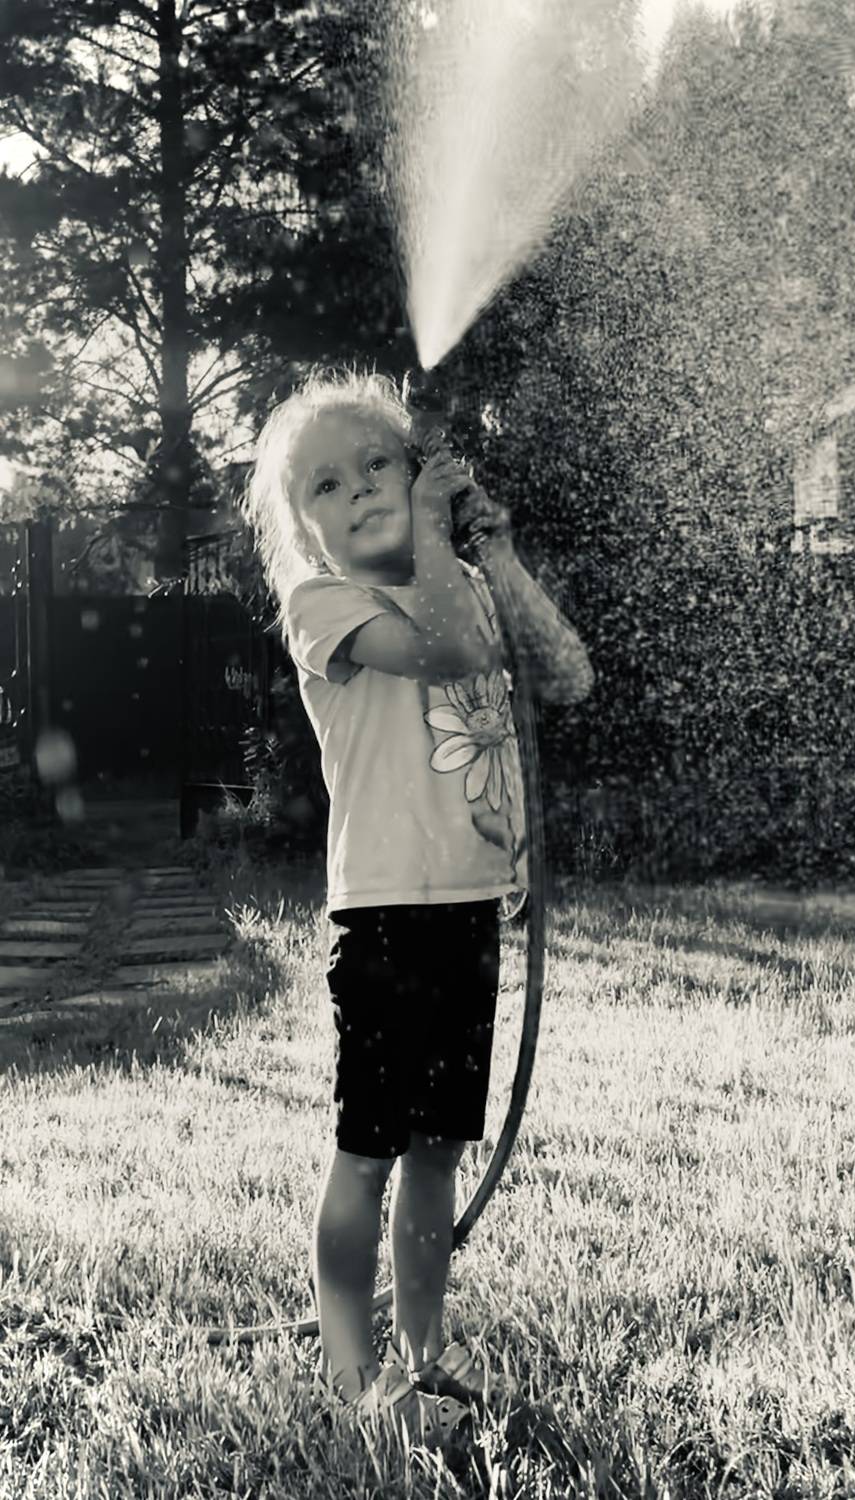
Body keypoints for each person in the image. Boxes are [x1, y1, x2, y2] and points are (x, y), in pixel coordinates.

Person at [242, 367, 593, 1446]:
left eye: (376, 465)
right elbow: (444, 650)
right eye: (325, 486)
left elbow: (565, 673)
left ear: (417, 471)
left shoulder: (462, 582)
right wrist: (441, 544)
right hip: (386, 921)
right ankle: (355, 1371)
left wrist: (499, 552)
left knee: (438, 1148)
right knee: (370, 1151)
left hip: (466, 915)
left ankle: (425, 1351)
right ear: (303, 533)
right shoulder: (325, 607)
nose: (357, 491)